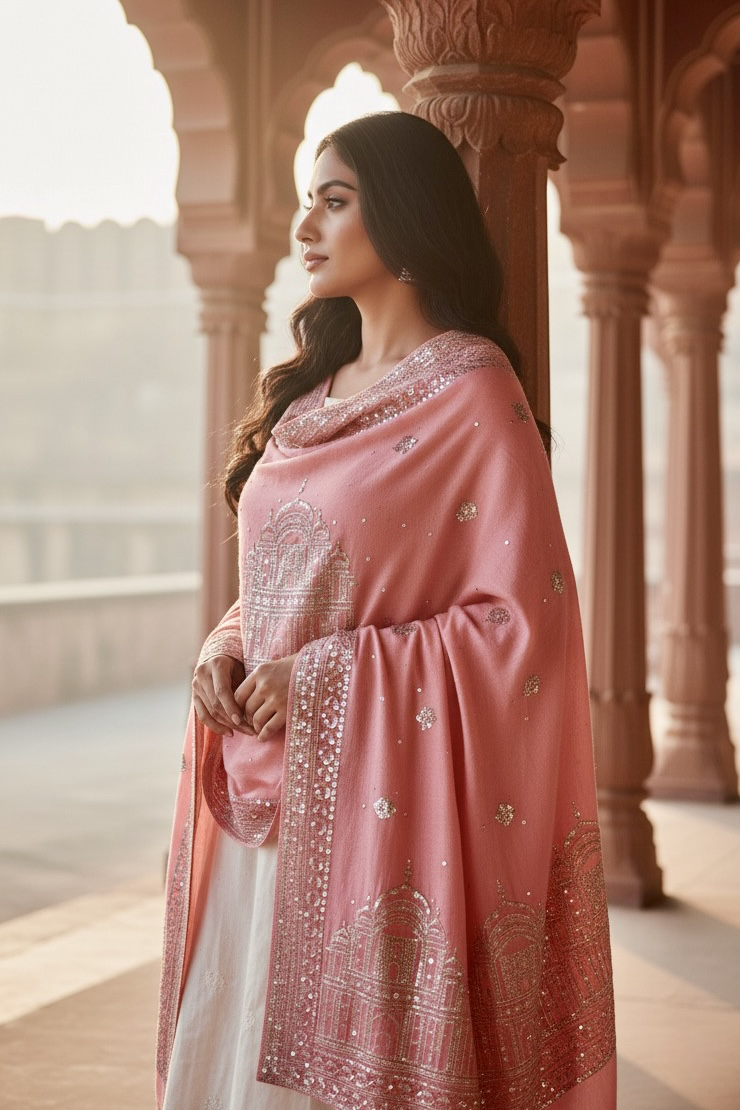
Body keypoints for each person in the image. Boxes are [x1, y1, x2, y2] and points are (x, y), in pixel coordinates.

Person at [156, 111, 617, 1110]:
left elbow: (517, 630)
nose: (303, 227)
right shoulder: (306, 402)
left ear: (403, 218)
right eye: (303, 201)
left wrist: (322, 679)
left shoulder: (469, 392)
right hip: (260, 812)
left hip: (371, 805)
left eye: (333, 200)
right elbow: (283, 583)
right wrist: (226, 647)